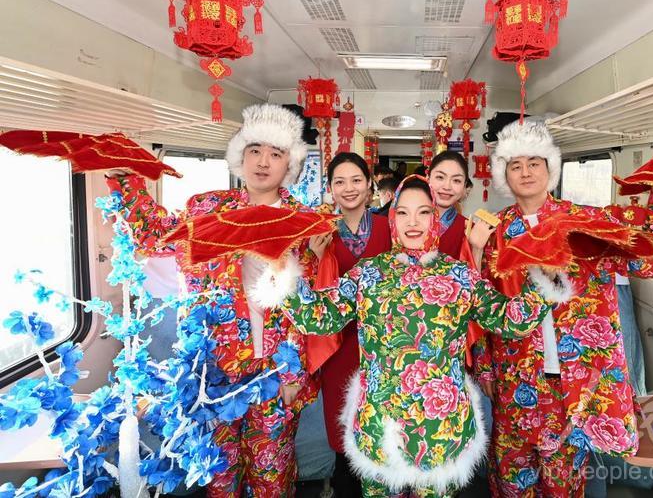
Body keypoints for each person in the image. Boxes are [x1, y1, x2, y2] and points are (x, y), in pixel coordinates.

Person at [282, 176, 562, 498]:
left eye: (423, 212)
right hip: (380, 426)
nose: (412, 222)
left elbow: (511, 320)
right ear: (392, 218)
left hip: (442, 428)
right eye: (403, 213)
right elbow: (317, 316)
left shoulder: (459, 275)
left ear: (435, 218)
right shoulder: (368, 273)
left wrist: (546, 279)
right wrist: (281, 269)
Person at [469, 121, 653, 498]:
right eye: (515, 165)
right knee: (511, 477)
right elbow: (482, 304)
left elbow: (649, 260)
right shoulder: (494, 233)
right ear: (505, 175)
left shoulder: (587, 222)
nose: (526, 172)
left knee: (563, 482)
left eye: (534, 163)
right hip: (514, 375)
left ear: (550, 169)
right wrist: (485, 366)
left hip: (575, 382)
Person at [107, 103, 319, 497]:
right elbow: (155, 235)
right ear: (241, 155)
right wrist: (125, 179)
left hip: (274, 368)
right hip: (215, 368)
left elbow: (306, 304)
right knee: (220, 475)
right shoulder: (207, 208)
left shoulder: (303, 221)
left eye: (275, 154)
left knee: (271, 473)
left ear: (289, 163)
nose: (263, 162)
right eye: (255, 150)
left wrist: (294, 374)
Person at [307, 152, 392, 498]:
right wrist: (317, 258)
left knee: (383, 428)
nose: (349, 188)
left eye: (356, 180)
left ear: (370, 184)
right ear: (330, 188)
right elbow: (311, 294)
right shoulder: (320, 234)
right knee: (343, 429)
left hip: (384, 347)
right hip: (339, 345)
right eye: (339, 182)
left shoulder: (391, 227)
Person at [427, 151, 469, 259]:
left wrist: (478, 248)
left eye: (456, 180)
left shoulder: (469, 230)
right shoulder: (405, 221)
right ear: (427, 178)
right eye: (440, 177)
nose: (447, 187)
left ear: (464, 186)